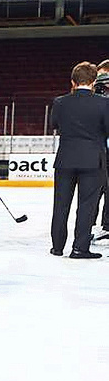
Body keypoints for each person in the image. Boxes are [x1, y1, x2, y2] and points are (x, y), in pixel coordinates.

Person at [49, 61, 109, 259]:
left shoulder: (59, 102)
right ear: (93, 81)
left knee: (61, 204)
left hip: (65, 158)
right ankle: (79, 248)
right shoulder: (103, 102)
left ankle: (57, 247)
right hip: (93, 160)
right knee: (86, 205)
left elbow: (55, 124)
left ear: (73, 81)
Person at [90, 59, 109, 244]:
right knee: (96, 190)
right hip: (98, 151)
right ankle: (92, 224)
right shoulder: (98, 98)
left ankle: (106, 224)